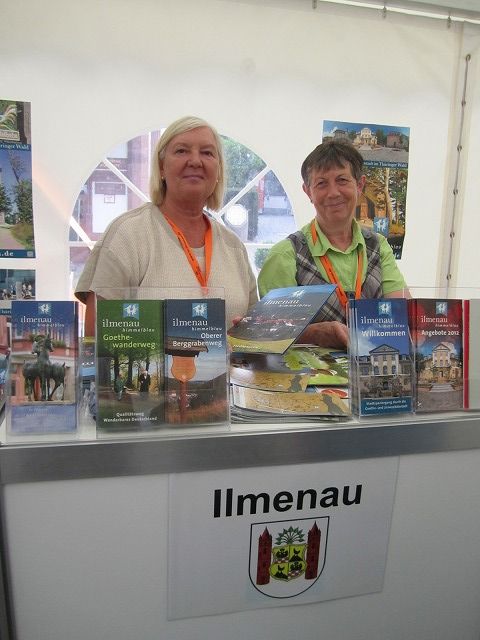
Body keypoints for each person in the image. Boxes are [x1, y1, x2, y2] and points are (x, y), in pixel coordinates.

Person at [75, 116, 258, 335]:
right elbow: (96, 337)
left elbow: (254, 331)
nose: (195, 161)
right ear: (161, 167)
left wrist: (247, 334)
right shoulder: (127, 235)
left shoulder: (234, 248)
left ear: (218, 170)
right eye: (181, 151)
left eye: (207, 153)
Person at [258, 140, 407, 348]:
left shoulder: (378, 246)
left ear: (360, 185)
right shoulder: (286, 255)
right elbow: (269, 333)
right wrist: (314, 334)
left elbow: (401, 315)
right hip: (307, 370)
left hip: (374, 364)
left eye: (342, 180)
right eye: (321, 184)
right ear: (308, 192)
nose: (333, 192)